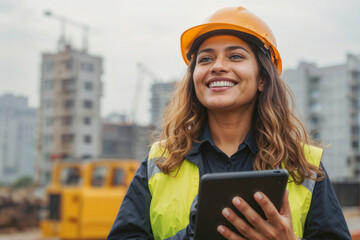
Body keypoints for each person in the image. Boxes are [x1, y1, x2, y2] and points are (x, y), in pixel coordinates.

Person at [107, 6, 351, 240]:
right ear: (194, 79)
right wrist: (192, 235)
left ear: (263, 79)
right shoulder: (159, 162)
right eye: (205, 59)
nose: (218, 67)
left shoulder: (305, 165)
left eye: (235, 56)